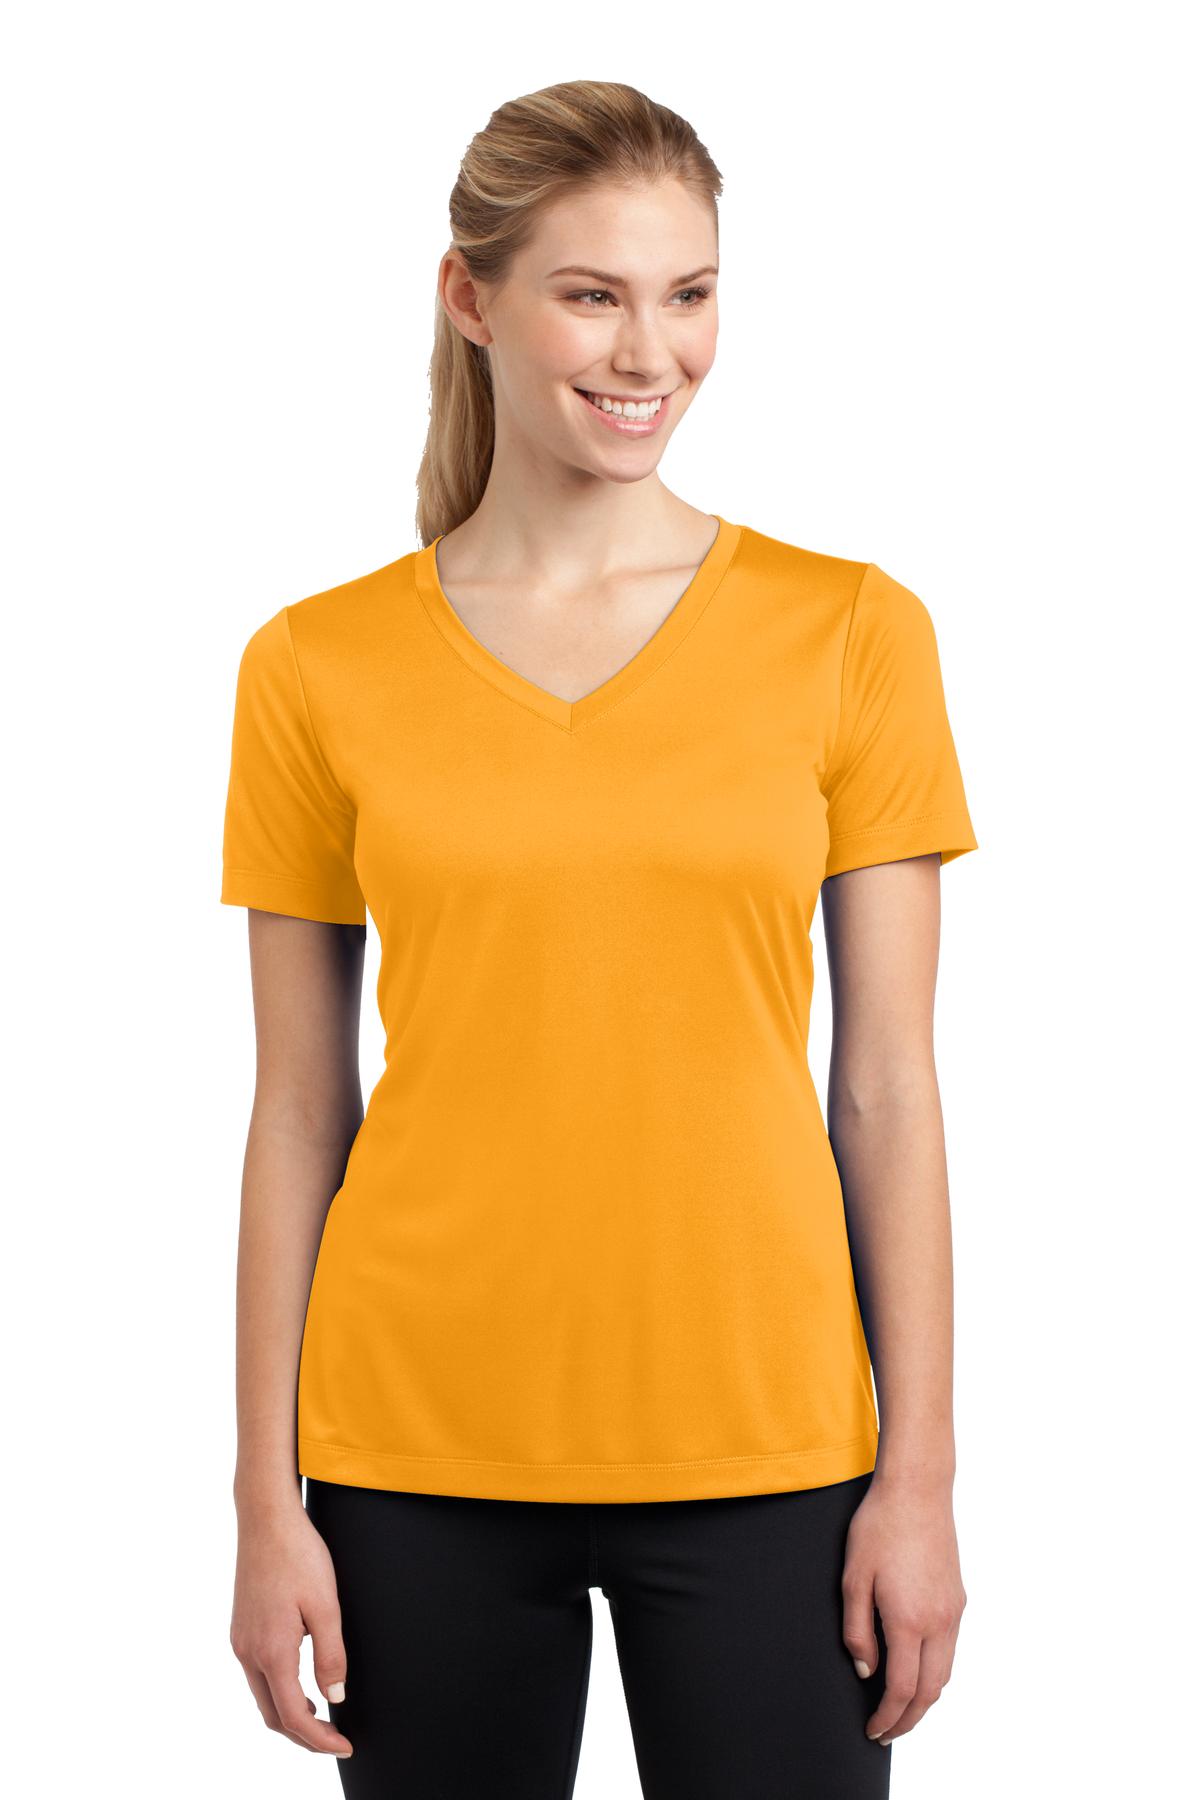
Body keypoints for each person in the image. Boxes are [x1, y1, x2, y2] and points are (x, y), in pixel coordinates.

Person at [222, 78, 977, 1800]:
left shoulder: (852, 633)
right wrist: (266, 1501)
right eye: (594, 293)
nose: (653, 352)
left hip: (770, 1442)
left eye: (690, 293)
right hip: (412, 1448)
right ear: (471, 299)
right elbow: (296, 1110)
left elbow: (887, 1088)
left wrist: (920, 1475)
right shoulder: (314, 667)